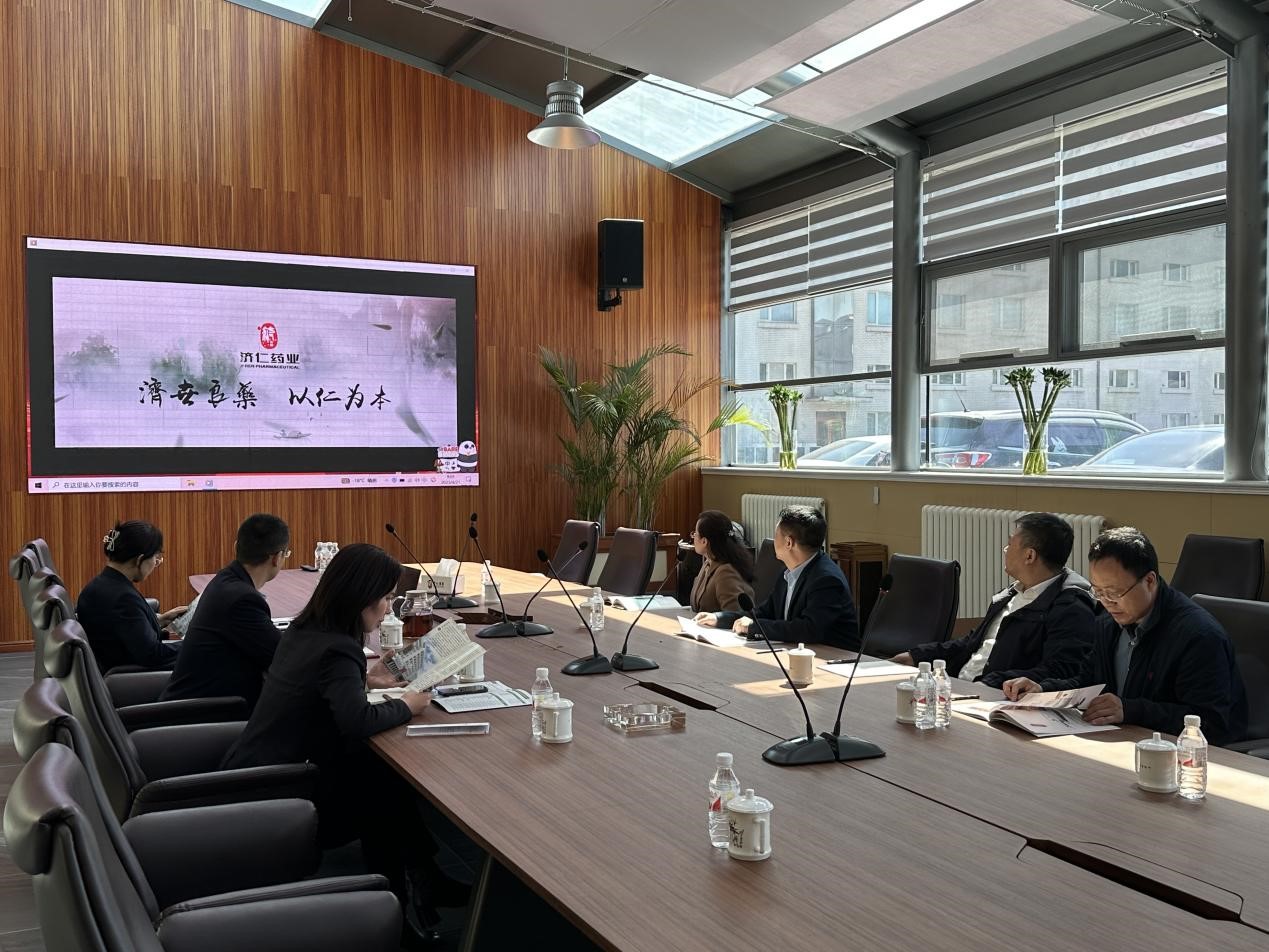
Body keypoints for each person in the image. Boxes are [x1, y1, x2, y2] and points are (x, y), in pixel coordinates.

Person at [221, 543, 460, 948]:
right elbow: (357, 721)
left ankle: (422, 880)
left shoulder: (306, 630)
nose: (388, 609)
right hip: (282, 794)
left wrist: (364, 680)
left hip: (253, 769)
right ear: (362, 597)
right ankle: (396, 915)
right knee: (381, 793)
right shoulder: (339, 647)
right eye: (386, 598)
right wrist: (408, 705)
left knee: (381, 777)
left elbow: (317, 687)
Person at [1003, 527, 1247, 745]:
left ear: (1149, 581)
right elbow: (1088, 684)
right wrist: (1042, 690)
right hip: (1125, 739)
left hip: (1182, 755)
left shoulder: (1198, 636)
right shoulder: (1108, 623)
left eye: (1114, 592)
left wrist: (1130, 710)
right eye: (1098, 592)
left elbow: (1212, 722)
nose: (1107, 603)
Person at [893, 513, 1095, 689]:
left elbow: (1060, 670)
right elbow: (972, 643)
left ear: (1029, 555)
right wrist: (917, 656)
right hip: (962, 686)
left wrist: (990, 684)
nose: (1005, 549)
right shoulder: (1011, 593)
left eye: (1010, 543)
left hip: (998, 698)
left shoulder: (1070, 607)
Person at [160, 514, 291, 711]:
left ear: (236, 546)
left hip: (194, 704)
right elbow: (284, 659)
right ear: (277, 558)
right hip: (201, 717)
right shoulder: (242, 600)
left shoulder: (226, 580)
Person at [694, 505, 859, 650]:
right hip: (799, 652)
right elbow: (765, 612)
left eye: (776, 534)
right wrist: (720, 618)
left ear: (788, 543)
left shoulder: (826, 579)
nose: (773, 539)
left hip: (833, 660)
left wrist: (755, 627)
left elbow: (809, 629)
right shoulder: (788, 572)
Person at [76, 521, 187, 673]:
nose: (156, 564)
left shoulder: (100, 585)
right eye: (156, 558)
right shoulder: (123, 599)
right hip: (128, 677)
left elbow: (123, 631)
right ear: (139, 560)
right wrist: (199, 642)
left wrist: (160, 620)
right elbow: (153, 655)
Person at [688, 510, 755, 615]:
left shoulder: (726, 572)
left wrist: (716, 619)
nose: (693, 537)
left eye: (695, 534)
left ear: (704, 541)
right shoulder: (708, 563)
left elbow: (735, 615)